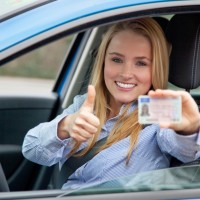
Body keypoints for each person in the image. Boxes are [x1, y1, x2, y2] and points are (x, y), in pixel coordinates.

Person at [22, 18, 200, 190]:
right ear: (103, 62)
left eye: (141, 63)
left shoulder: (158, 107)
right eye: (117, 60)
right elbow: (31, 149)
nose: (126, 73)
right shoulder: (85, 104)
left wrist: (189, 129)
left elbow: (186, 150)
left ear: (156, 68)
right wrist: (65, 126)